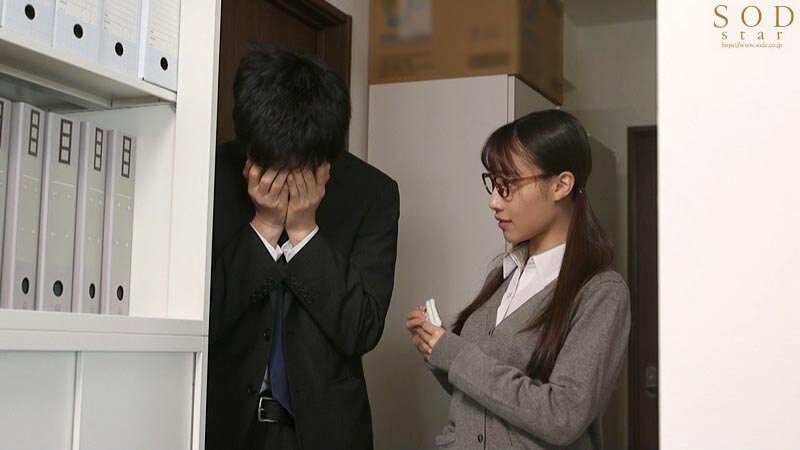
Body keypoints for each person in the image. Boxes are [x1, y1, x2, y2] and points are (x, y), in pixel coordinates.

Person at [207, 45, 400, 450]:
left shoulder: (372, 193)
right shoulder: (211, 175)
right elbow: (203, 316)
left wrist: (303, 230)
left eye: (296, 168)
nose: (283, 181)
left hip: (328, 432)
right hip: (223, 425)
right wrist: (263, 226)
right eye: (270, 165)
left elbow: (362, 329)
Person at [406, 109, 630, 449]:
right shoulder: (505, 274)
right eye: (493, 184)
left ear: (561, 185)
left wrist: (454, 353)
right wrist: (436, 350)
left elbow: (562, 416)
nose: (494, 201)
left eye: (507, 185)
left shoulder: (601, 294)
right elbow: (486, 402)